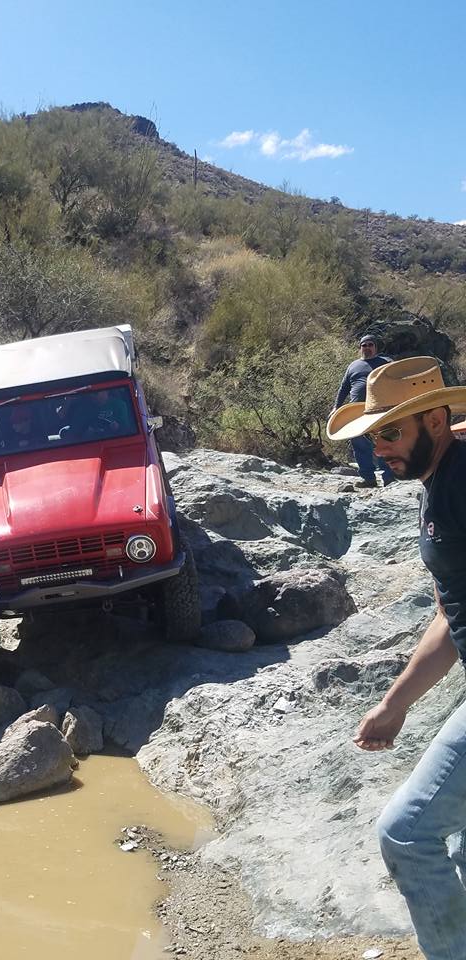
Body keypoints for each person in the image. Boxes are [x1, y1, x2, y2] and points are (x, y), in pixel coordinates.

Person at [326, 356, 466, 960]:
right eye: (373, 435)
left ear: (434, 420)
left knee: (407, 835)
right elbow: (451, 616)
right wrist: (395, 704)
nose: (378, 448)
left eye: (390, 432)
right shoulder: (438, 479)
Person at [332, 334, 395, 488]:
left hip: (380, 410)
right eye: (364, 345)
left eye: (370, 344)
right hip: (356, 412)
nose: (367, 347)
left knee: (384, 442)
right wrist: (336, 407)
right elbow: (344, 388)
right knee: (359, 444)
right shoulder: (353, 366)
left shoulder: (386, 363)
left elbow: (397, 381)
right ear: (360, 348)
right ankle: (368, 479)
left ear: (375, 347)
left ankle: (389, 478)